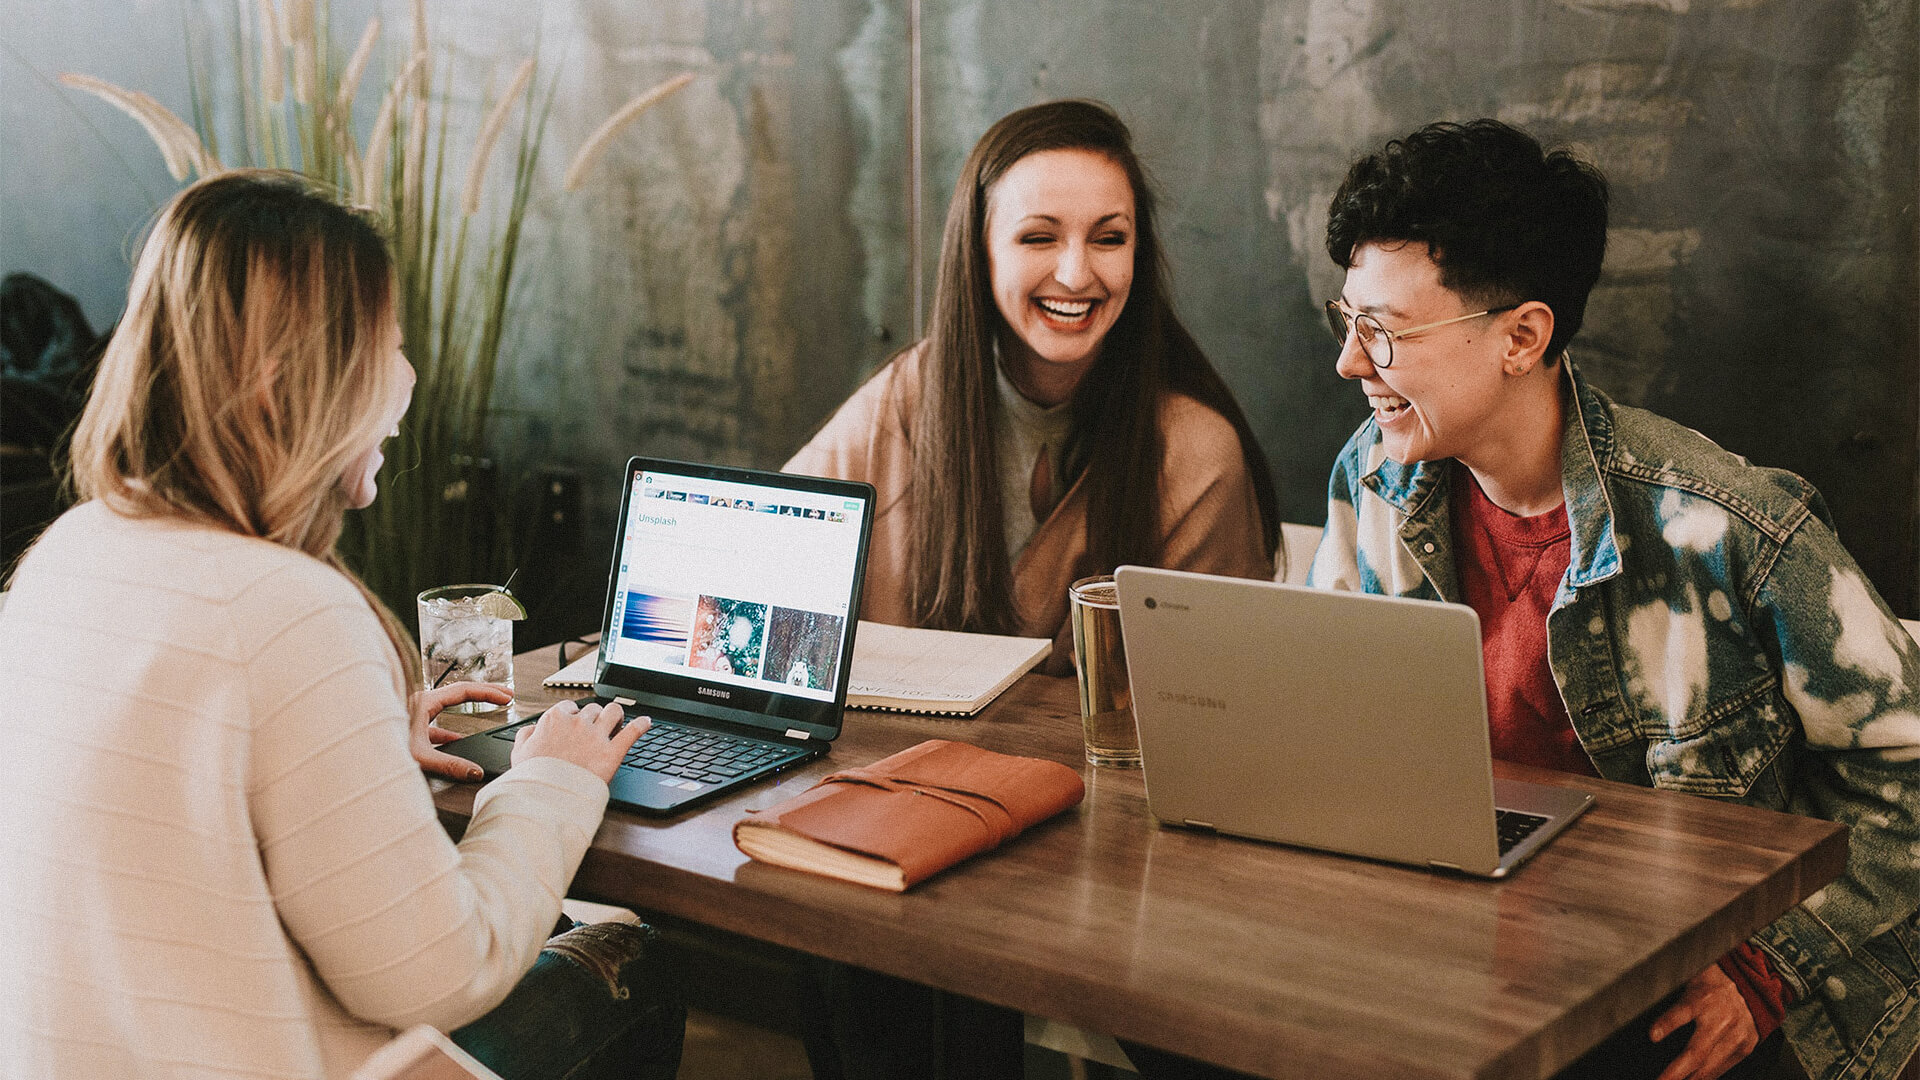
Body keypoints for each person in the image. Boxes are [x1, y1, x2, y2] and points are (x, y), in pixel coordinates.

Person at [0, 170, 684, 1080]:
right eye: (388, 346)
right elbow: (442, 977)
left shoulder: (65, 554)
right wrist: (551, 781)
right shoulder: (289, 611)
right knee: (634, 962)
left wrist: (359, 743)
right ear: (288, 383)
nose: (408, 378)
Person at [1308, 120, 1920, 1080]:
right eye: (1345, 320)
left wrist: (1766, 970)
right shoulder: (1374, 478)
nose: (1350, 362)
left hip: (1685, 979)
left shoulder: (1725, 527)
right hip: (1469, 947)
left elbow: (1907, 774)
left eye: (1382, 331)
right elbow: (1331, 727)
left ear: (1522, 337)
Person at [787, 98, 1281, 676]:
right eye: (1038, 238)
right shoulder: (904, 400)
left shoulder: (1197, 454)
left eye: (1109, 239)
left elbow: (1212, 695)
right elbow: (763, 566)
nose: (1075, 274)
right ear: (979, 251)